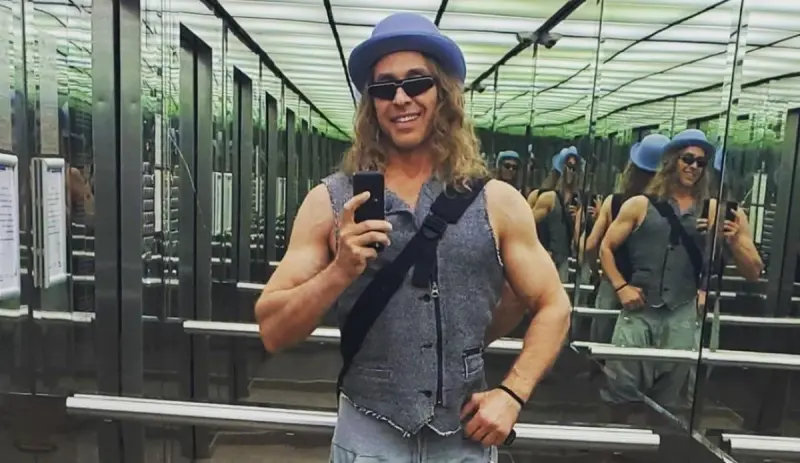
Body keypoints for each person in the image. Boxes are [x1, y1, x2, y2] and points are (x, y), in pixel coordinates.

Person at [254, 12, 570, 462]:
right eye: (384, 88)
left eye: (416, 82)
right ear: (371, 103)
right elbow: (272, 330)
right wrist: (340, 270)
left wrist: (512, 393)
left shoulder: (497, 201)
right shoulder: (331, 201)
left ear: (443, 93)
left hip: (463, 440)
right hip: (369, 437)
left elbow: (553, 304)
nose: (400, 98)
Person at [598, 129, 762, 419]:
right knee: (621, 389)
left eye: (701, 162)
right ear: (672, 161)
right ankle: (618, 440)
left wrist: (735, 240)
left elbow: (754, 272)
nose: (693, 167)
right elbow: (605, 248)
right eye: (688, 159)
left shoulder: (722, 212)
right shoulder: (639, 204)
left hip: (683, 314)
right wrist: (621, 287)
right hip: (639, 310)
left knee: (671, 402)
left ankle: (658, 441)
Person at [580, 134, 670, 344]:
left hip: (613, 284)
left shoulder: (614, 202)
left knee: (601, 343)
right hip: (649, 292)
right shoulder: (670, 209)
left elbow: (591, 245)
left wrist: (598, 272)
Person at [532, 147, 582, 281]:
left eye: (575, 168)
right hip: (544, 259)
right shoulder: (548, 197)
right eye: (569, 166)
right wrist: (541, 251)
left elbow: (577, 241)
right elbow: (528, 227)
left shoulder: (577, 201)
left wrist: (577, 219)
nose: (571, 171)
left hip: (563, 261)